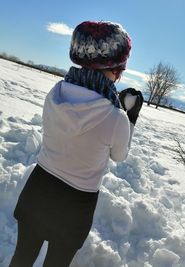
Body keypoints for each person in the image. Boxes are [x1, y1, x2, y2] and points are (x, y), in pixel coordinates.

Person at [9, 21, 143, 267]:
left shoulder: (56, 92)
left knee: (21, 259)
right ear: (114, 69)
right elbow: (119, 155)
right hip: (75, 206)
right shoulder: (116, 118)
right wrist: (129, 117)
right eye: (121, 68)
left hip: (38, 189)